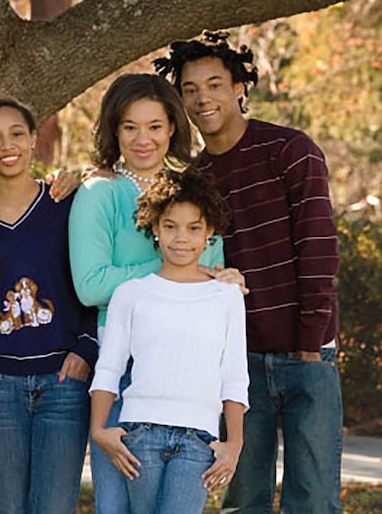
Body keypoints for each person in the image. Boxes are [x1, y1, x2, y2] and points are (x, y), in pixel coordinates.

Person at [157, 30, 343, 512]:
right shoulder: (193, 179)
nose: (203, 98)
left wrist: (307, 345)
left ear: (240, 87)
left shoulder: (290, 151)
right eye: (191, 89)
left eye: (215, 84)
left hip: (307, 355)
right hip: (237, 367)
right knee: (244, 500)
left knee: (314, 500)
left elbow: (319, 249)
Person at [67, 73, 242, 514]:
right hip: (120, 369)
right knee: (115, 506)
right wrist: (173, 269)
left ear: (173, 128)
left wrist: (212, 275)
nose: (143, 139)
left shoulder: (192, 190)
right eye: (130, 127)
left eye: (155, 126)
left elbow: (215, 271)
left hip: (187, 375)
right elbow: (90, 286)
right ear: (114, 130)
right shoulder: (98, 192)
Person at [0, 97, 97, 514]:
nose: (7, 145)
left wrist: (85, 349)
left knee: (53, 507)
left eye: (16, 133)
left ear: (33, 138)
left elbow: (87, 284)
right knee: (7, 507)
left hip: (64, 382)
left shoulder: (66, 203)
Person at [90, 167, 249, 514]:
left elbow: (235, 375)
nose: (181, 238)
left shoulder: (226, 296)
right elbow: (109, 367)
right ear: (155, 228)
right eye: (170, 226)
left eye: (194, 228)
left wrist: (234, 443)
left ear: (209, 232)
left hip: (199, 440)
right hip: (140, 435)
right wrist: (100, 429)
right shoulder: (131, 294)